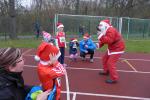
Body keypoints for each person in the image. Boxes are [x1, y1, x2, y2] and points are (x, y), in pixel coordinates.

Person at [96, 19, 125, 84]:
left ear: (105, 25)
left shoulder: (111, 30)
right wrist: (99, 45)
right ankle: (106, 71)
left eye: (101, 25)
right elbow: (105, 40)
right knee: (104, 58)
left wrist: (100, 36)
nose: (99, 27)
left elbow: (109, 40)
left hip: (118, 48)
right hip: (112, 47)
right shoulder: (106, 30)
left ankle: (114, 78)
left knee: (110, 63)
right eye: (99, 25)